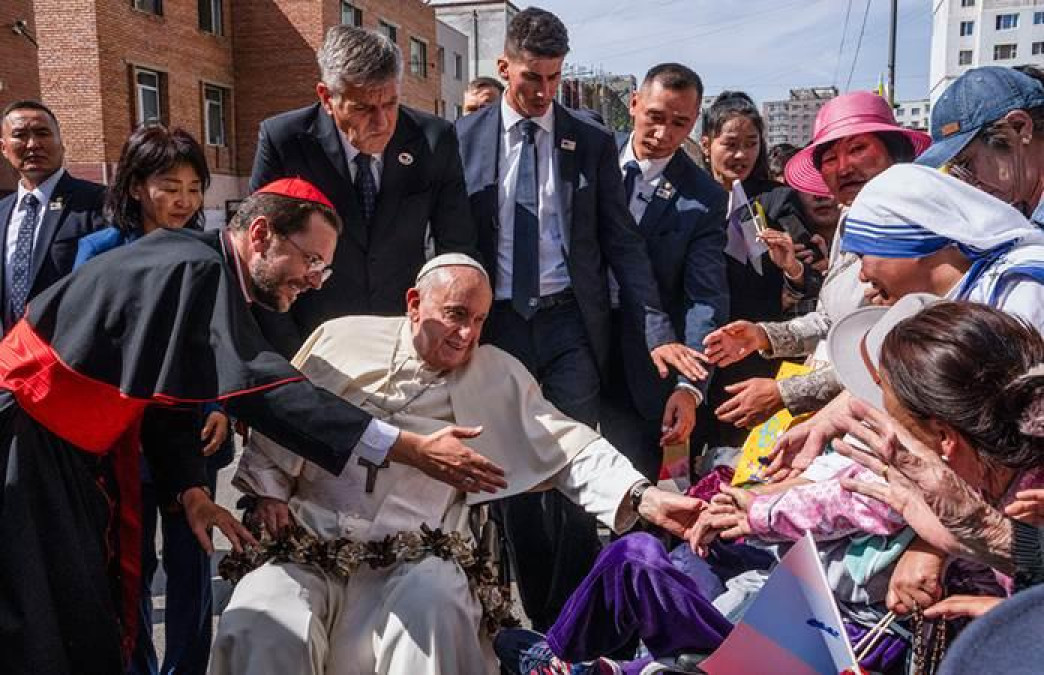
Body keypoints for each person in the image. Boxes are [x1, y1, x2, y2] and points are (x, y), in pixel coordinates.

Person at [0, 179, 506, 675]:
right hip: (28, 440)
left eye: (324, 270)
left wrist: (191, 490)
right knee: (42, 622)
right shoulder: (196, 269)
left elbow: (168, 394)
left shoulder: (196, 264)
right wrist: (407, 446)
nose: (314, 280)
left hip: (63, 446)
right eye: (311, 261)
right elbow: (266, 390)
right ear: (261, 235)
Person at [209, 254, 710, 675]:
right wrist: (269, 488)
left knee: (434, 605)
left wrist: (645, 497)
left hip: (414, 561)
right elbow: (289, 417)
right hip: (309, 547)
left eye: (479, 320)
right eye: (454, 314)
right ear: (413, 303)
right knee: (262, 617)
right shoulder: (341, 340)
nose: (467, 333)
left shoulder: (496, 374)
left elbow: (569, 447)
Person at [454, 7, 706, 630]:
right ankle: (540, 611)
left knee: (571, 463)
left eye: (554, 79)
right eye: (530, 78)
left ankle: (570, 613)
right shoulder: (459, 140)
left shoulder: (588, 141)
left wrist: (659, 333)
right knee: (511, 474)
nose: (542, 93)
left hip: (570, 326)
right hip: (501, 326)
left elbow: (624, 245)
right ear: (503, 67)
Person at [74, 125, 231, 675]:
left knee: (193, 563)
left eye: (194, 187)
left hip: (192, 435)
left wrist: (219, 406)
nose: (184, 200)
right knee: (130, 564)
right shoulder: (99, 251)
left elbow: (220, 344)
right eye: (170, 185)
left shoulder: (210, 253)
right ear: (137, 186)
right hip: (122, 439)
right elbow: (89, 347)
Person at [701, 91, 929, 435]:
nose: (844, 168)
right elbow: (828, 318)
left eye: (857, 150)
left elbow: (896, 346)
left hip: (896, 416)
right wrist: (763, 335)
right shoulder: (850, 220)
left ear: (893, 152)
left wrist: (786, 391)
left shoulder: (918, 224)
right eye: (831, 157)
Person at [249, 25, 477, 358]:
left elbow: (455, 245)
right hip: (313, 341)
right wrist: (290, 357)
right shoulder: (286, 141)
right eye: (363, 108)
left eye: (390, 103)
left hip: (406, 339)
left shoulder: (434, 140)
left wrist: (445, 338)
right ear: (327, 98)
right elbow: (260, 257)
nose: (382, 121)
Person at [601, 63, 728, 483]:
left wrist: (689, 386)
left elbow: (705, 298)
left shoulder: (703, 197)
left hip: (650, 363)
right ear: (634, 104)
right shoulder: (591, 157)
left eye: (679, 123)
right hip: (577, 340)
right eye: (655, 117)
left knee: (637, 484)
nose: (663, 134)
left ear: (694, 123)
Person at [692, 91, 817, 447]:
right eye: (731, 144)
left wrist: (790, 266)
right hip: (699, 346)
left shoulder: (777, 199)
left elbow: (807, 278)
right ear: (706, 144)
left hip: (755, 348)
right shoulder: (690, 198)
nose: (741, 155)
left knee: (748, 454)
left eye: (751, 144)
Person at [0, 100, 104, 335]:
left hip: (69, 356)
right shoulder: (2, 212)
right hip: (10, 358)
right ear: (4, 148)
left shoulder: (99, 203)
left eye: (42, 133)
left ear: (61, 142)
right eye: (20, 135)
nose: (33, 144)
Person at [916, 65, 1044, 226]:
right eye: (955, 171)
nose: (966, 182)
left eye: (966, 163)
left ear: (1019, 126)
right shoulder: (1018, 211)